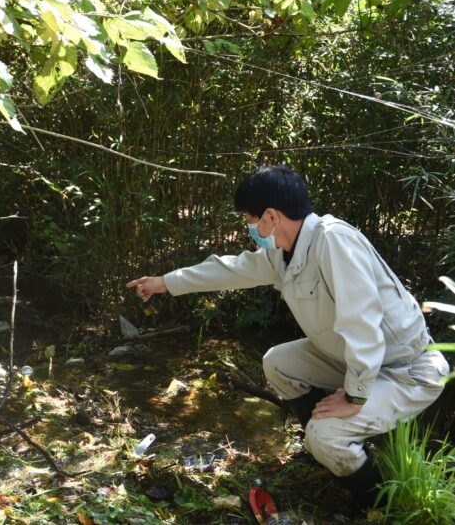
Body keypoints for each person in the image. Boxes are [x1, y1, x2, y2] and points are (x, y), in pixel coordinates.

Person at [126, 164, 450, 509]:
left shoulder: (333, 241)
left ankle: (378, 504)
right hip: (359, 360)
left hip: (406, 369)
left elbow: (362, 324)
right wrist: (164, 282)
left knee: (327, 436)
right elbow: (231, 269)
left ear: (271, 216)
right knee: (278, 363)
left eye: (251, 219)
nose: (251, 228)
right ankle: (323, 452)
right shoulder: (285, 252)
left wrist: (353, 398)